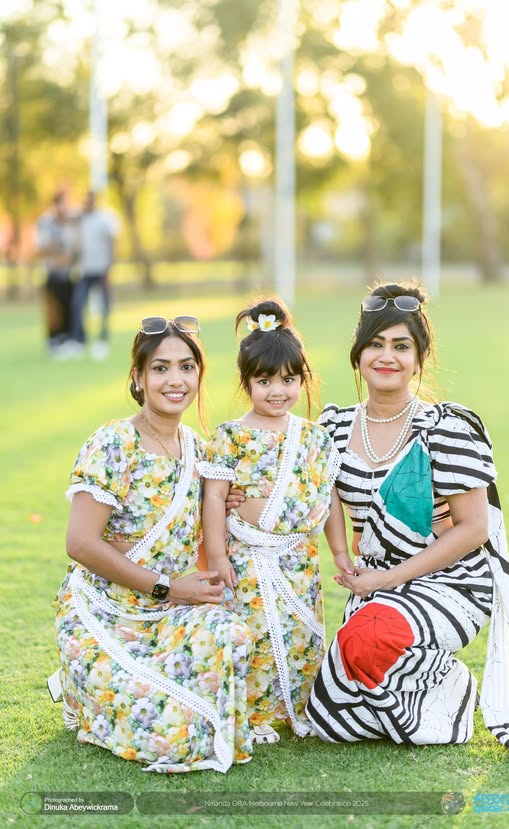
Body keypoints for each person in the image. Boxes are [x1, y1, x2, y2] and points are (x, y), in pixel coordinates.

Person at [306, 281, 509, 767]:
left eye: (401, 346)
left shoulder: (447, 429)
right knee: (328, 719)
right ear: (358, 355)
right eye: (375, 344)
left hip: (450, 581)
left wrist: (391, 578)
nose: (387, 356)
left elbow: (473, 529)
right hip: (374, 584)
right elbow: (313, 495)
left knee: (368, 641)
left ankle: (451, 697)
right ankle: (408, 675)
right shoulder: (332, 429)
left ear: (419, 359)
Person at [50, 314, 254, 773]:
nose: (175, 380)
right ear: (138, 378)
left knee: (233, 637)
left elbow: (198, 534)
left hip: (169, 615)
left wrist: (225, 503)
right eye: (160, 368)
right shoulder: (114, 442)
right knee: (168, 732)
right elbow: (80, 543)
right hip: (107, 611)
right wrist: (167, 586)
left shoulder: (200, 451)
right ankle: (85, 685)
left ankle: (108, 690)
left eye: (187, 366)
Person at [200, 299, 341, 744]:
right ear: (246, 383)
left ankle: (298, 705)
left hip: (298, 558)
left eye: (288, 380)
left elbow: (329, 496)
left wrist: (341, 552)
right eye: (264, 381)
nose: (277, 391)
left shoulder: (314, 437)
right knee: (256, 633)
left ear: (302, 379)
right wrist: (219, 555)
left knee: (301, 632)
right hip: (246, 558)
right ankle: (256, 712)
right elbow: (215, 497)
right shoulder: (231, 436)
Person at [70, 190, 119, 360]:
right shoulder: (81, 219)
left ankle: (102, 340)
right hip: (85, 270)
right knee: (78, 304)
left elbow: (112, 243)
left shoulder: (105, 218)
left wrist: (109, 267)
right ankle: (78, 340)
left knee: (104, 307)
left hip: (101, 269)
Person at [36, 190, 78, 357]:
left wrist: (65, 258)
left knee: (69, 307)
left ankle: (67, 340)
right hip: (52, 274)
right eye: (63, 203)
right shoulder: (46, 222)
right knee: (54, 309)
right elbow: (43, 248)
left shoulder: (70, 223)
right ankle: (54, 341)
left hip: (67, 274)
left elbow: (73, 249)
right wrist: (57, 254)